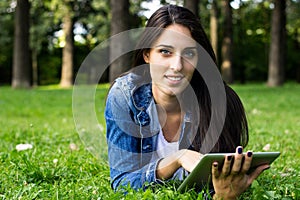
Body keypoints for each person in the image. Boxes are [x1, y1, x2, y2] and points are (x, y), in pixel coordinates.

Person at [105, 4, 270, 199]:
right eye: (165, 52)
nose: (177, 66)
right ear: (147, 55)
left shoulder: (220, 101)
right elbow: (122, 183)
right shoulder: (124, 96)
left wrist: (223, 195)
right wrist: (177, 158)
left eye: (189, 53)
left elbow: (215, 185)